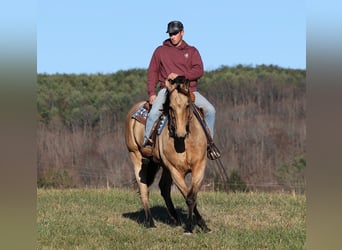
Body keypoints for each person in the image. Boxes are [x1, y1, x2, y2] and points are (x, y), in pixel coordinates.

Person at [141, 20, 216, 157]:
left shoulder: (192, 51)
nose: (172, 36)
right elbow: (153, 72)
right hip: (167, 90)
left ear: (182, 33)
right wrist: (152, 93)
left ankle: (209, 144)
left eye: (175, 33)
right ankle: (148, 143)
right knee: (153, 114)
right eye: (170, 34)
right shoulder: (160, 51)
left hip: (189, 90)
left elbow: (199, 70)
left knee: (210, 110)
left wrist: (181, 76)